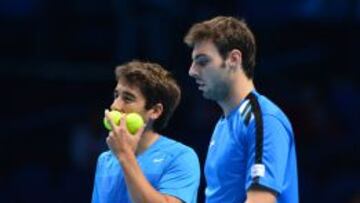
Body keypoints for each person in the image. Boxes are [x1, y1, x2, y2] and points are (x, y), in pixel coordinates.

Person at [184, 16, 298, 203]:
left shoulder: (264, 119)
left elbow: (261, 200)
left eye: (202, 61)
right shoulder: (224, 122)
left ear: (233, 59)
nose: (192, 71)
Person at [91, 61, 200, 203]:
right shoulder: (105, 160)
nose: (115, 106)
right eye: (116, 95)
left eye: (128, 99)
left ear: (155, 111)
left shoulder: (181, 156)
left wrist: (125, 155)